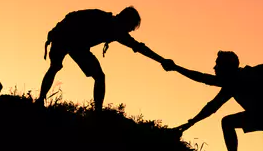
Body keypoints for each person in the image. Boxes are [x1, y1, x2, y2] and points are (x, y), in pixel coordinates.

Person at [39, 6, 170, 111]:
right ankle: (41, 101)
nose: (129, 31)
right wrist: (55, 31)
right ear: (126, 21)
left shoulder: (114, 27)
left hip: (72, 42)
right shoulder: (104, 20)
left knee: (94, 75)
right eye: (130, 28)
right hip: (65, 36)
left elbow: (139, 47)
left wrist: (162, 61)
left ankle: (97, 112)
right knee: (59, 68)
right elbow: (73, 16)